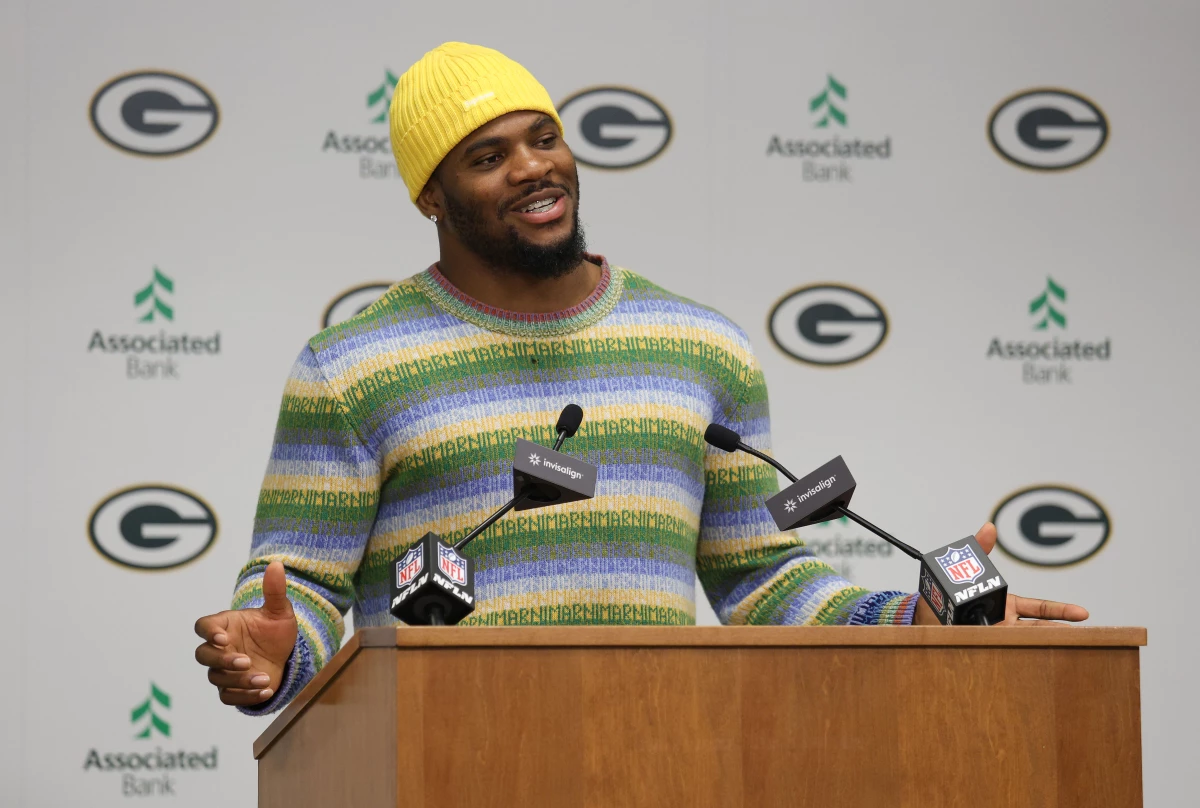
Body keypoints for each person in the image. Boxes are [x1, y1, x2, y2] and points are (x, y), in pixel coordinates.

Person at [193, 42, 1088, 712]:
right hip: (438, 760)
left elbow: (761, 576)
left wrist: (907, 620)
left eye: (544, 137)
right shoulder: (350, 367)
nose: (533, 167)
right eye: (487, 156)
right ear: (431, 196)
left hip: (659, 756)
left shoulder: (700, 347)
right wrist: (276, 649)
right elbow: (301, 585)